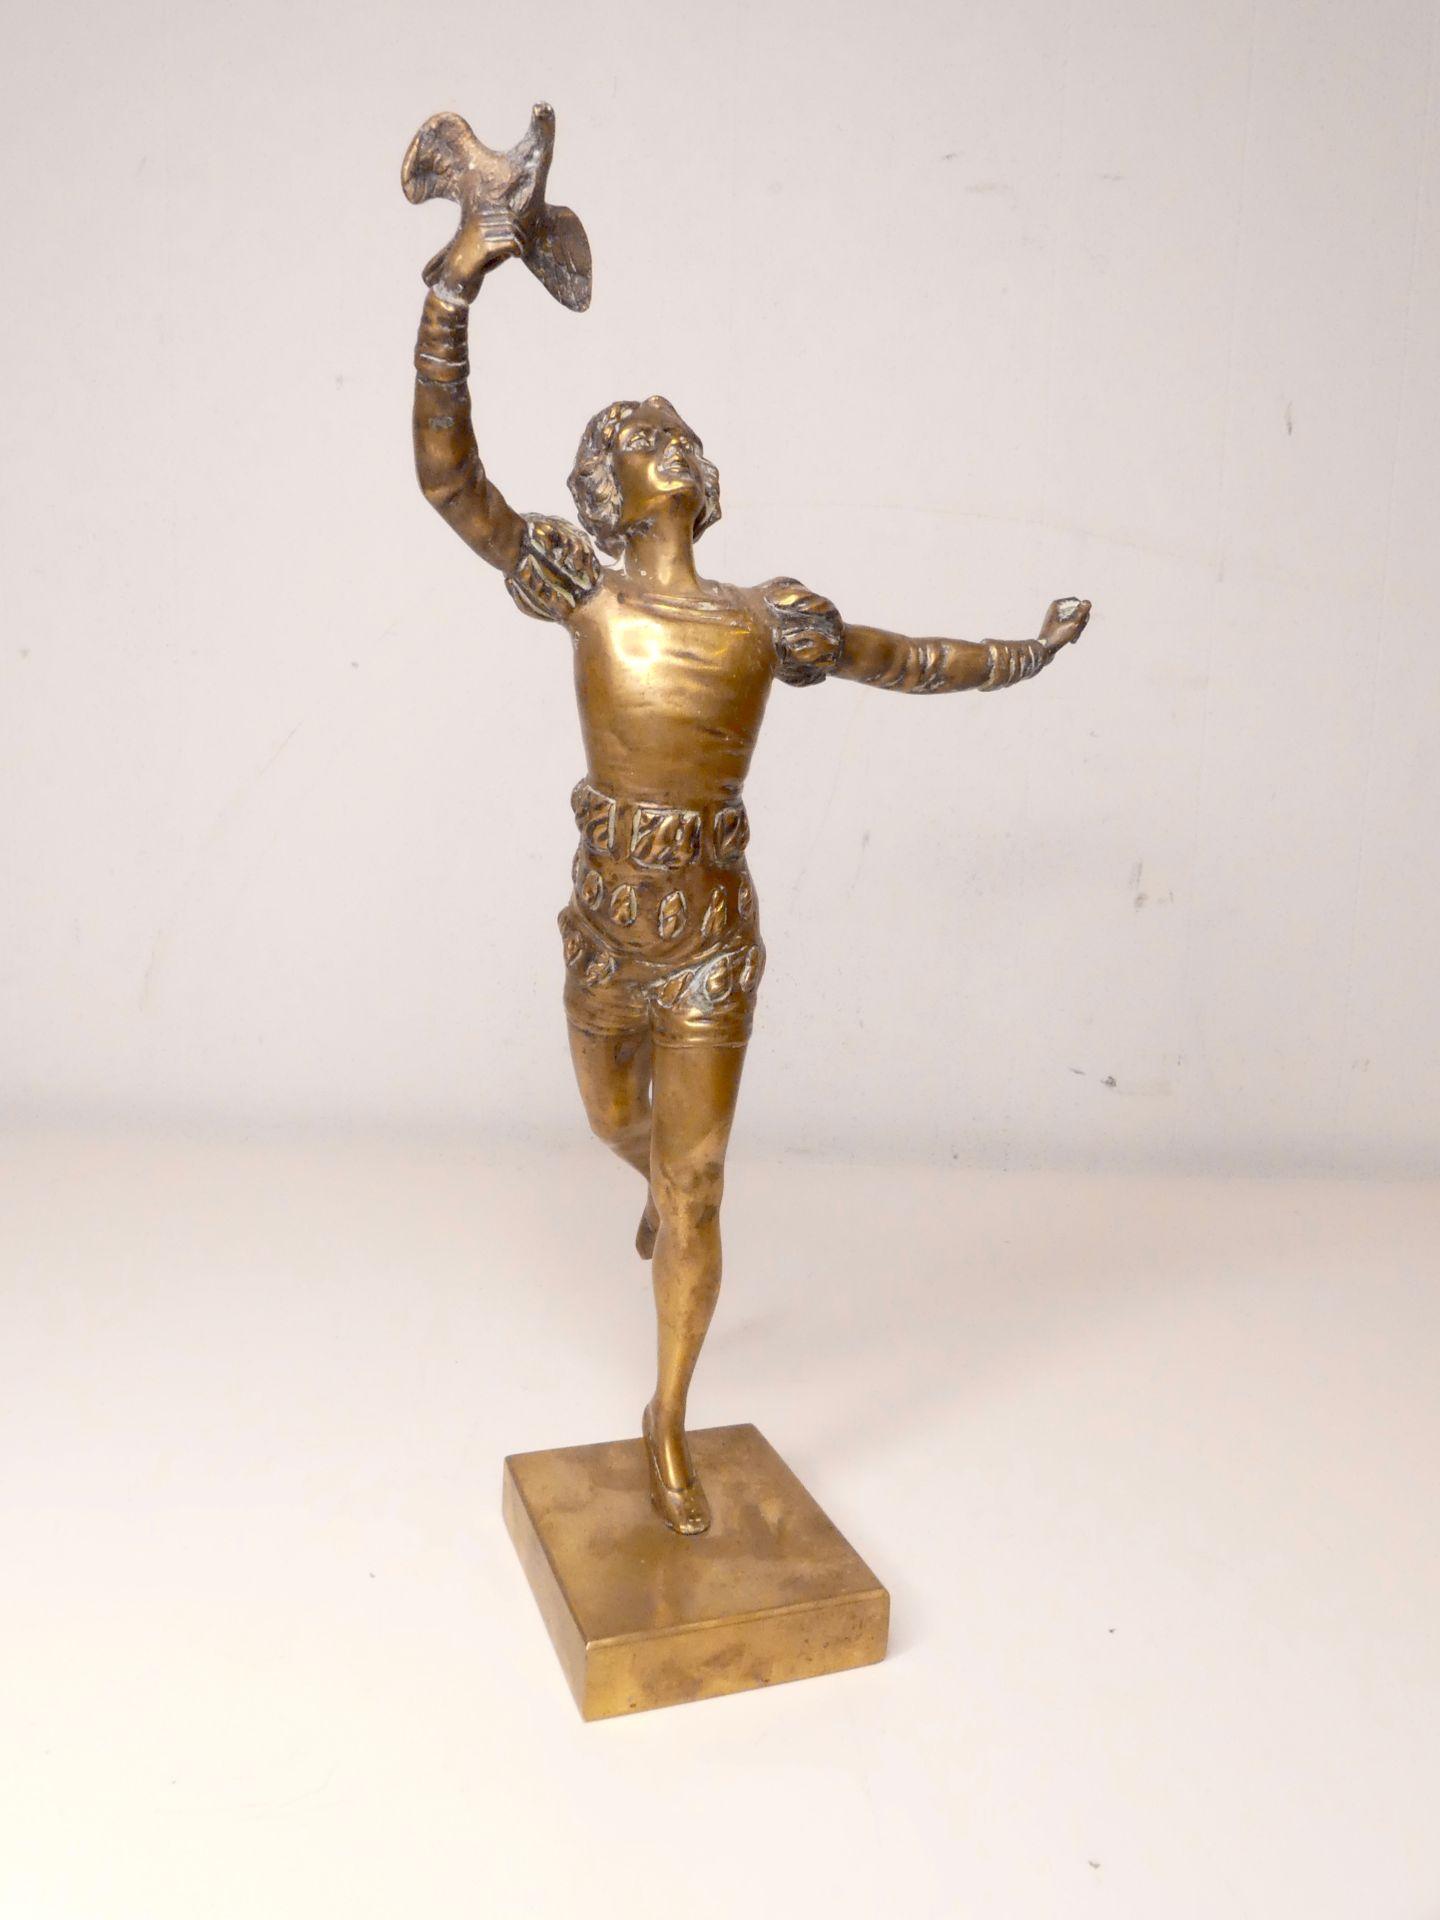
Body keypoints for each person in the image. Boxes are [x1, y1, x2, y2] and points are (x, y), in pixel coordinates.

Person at [412, 207, 1091, 1535]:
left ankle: (668, 1418)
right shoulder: (582, 589)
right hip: (607, 925)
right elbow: (450, 480)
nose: (673, 448)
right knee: (617, 1126)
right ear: (609, 490)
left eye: (681, 437)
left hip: (713, 936)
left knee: (699, 1182)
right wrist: (455, 287)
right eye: (643, 440)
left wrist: (1027, 652)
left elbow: (907, 660)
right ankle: (654, 1186)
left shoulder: (765, 618)